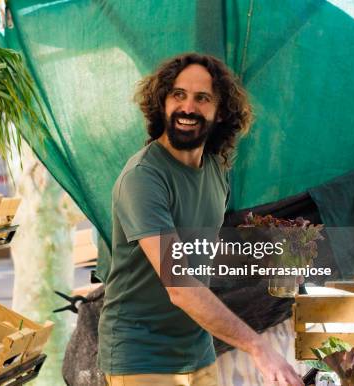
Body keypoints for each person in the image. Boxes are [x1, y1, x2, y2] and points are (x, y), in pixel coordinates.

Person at [97, 53, 303, 386]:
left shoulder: (216, 172)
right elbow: (180, 285)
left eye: (201, 98)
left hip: (197, 351)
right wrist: (257, 347)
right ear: (162, 103)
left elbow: (199, 253)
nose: (188, 108)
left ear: (220, 111)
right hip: (141, 355)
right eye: (178, 95)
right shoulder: (144, 178)